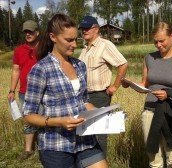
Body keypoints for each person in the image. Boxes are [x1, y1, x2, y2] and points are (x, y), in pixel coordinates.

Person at [22, 14, 108, 168]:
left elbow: (84, 101)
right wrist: (59, 122)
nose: (74, 44)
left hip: (85, 140)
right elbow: (28, 116)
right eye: (69, 40)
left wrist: (102, 114)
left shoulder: (80, 66)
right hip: (56, 145)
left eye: (76, 39)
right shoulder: (41, 69)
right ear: (53, 37)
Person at [122, 21, 172, 168]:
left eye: (162, 41)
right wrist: (131, 84)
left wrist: (169, 94)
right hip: (150, 112)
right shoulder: (149, 58)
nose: (159, 45)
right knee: (154, 160)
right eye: (155, 42)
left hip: (171, 114)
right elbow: (145, 85)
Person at [78, 16, 128, 157]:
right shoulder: (85, 48)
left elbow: (123, 64)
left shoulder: (104, 45)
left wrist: (115, 86)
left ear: (96, 29)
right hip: (85, 97)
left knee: (99, 132)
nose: (84, 31)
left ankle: (100, 162)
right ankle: (89, 162)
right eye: (82, 28)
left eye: (87, 28)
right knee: (85, 131)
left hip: (99, 96)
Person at [7, 20, 39, 161]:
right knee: (27, 120)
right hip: (24, 92)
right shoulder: (19, 50)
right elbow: (15, 70)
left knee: (46, 119)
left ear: (37, 33)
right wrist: (12, 90)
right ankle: (28, 150)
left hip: (44, 91)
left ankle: (45, 150)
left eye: (31, 31)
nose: (28, 34)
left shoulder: (45, 48)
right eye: (26, 31)